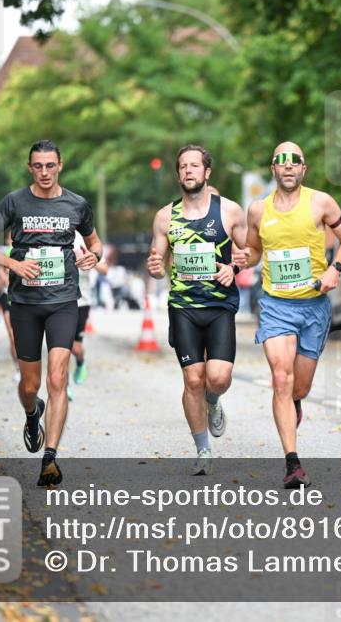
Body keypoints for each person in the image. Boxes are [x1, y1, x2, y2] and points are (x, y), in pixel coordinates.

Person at [0, 139, 103, 487]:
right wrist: (13, 263)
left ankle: (50, 458)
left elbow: (95, 243)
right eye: (38, 166)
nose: (45, 172)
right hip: (26, 305)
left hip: (63, 302)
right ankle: (33, 414)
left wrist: (95, 256)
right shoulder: (14, 202)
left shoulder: (76, 204)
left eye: (50, 165)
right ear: (30, 167)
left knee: (58, 378)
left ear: (60, 165)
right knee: (30, 385)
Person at [242, 141, 341, 488]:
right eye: (281, 161)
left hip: (314, 306)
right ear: (273, 169)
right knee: (280, 377)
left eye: (295, 161)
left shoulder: (321, 202)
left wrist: (335, 268)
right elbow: (254, 250)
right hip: (276, 305)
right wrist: (240, 259)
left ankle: (294, 404)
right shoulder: (258, 211)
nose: (288, 166)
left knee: (299, 386)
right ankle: (293, 464)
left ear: (303, 169)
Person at [147, 145, 248, 475]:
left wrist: (233, 267)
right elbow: (158, 262)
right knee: (193, 379)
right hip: (183, 308)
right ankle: (203, 450)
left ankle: (214, 400)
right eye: (183, 167)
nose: (189, 171)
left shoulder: (230, 212)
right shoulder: (165, 217)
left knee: (216, 378)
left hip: (219, 306)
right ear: (178, 175)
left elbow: (248, 254)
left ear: (207, 173)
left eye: (195, 166)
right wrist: (154, 267)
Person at [69, 229, 108, 394]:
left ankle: (80, 362)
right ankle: (63, 387)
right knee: (61, 347)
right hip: (58, 300)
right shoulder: (52, 231)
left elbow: (105, 269)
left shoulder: (87, 237)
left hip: (81, 301)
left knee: (76, 348)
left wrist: (92, 261)